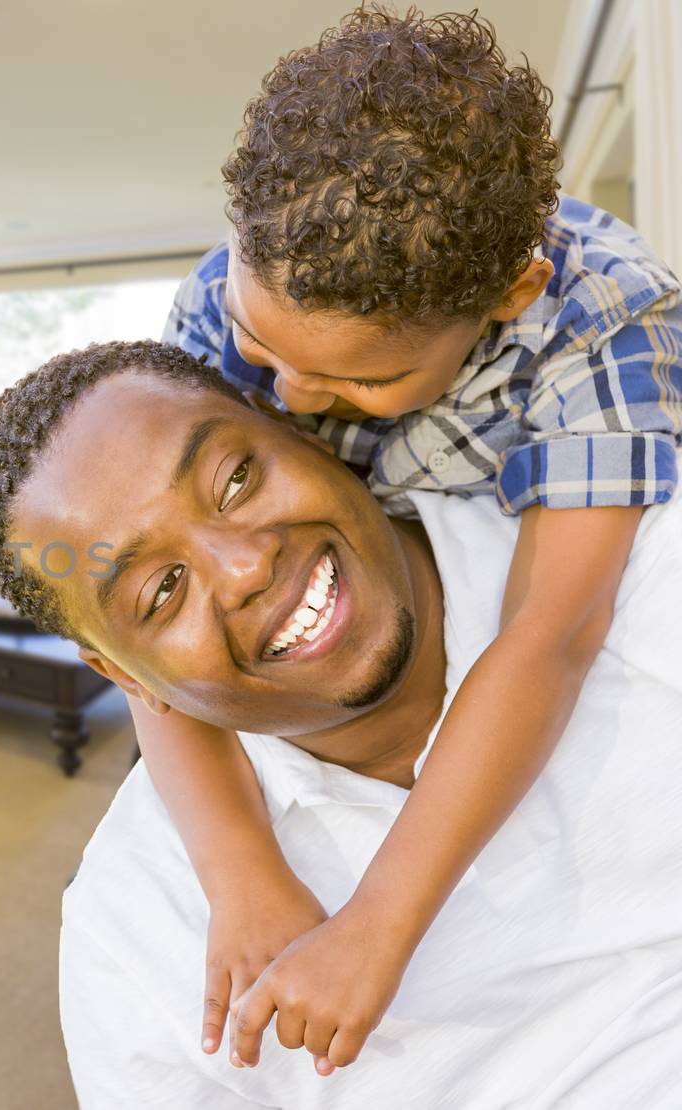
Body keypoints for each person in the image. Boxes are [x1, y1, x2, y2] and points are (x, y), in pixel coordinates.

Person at [144, 7, 682, 1074]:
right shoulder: (215, 301)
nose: (285, 396)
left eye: (359, 379)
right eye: (263, 345)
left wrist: (377, 924)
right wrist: (238, 866)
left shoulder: (607, 315)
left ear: (506, 297)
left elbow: (550, 632)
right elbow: (143, 609)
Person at [0, 338, 682, 1106]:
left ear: (300, 430)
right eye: (162, 590)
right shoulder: (133, 933)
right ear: (125, 677)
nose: (244, 567)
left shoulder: (643, 567)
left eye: (236, 479)